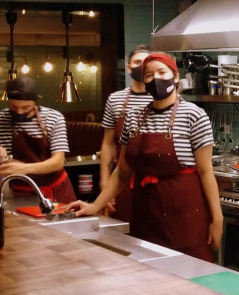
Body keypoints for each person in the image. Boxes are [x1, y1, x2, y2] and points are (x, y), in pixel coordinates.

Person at [66, 53, 223, 262]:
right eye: (149, 75)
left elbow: (206, 172)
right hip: (146, 212)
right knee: (147, 274)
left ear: (175, 77)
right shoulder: (133, 118)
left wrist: (217, 218)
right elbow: (122, 172)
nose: (156, 79)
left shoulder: (194, 115)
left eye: (162, 72)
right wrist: (95, 206)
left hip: (184, 214)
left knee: (189, 275)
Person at [0, 76, 76, 204]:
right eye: (14, 107)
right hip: (19, 195)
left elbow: (58, 162)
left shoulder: (53, 118)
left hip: (56, 191)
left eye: (26, 107)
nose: (19, 112)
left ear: (35, 103)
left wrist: (24, 168)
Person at [99, 45, 153, 222]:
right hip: (121, 180)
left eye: (146, 62)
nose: (142, 66)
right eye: (137, 62)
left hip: (154, 179)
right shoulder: (115, 100)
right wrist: (105, 182)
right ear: (129, 68)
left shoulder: (164, 100)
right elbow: (108, 144)